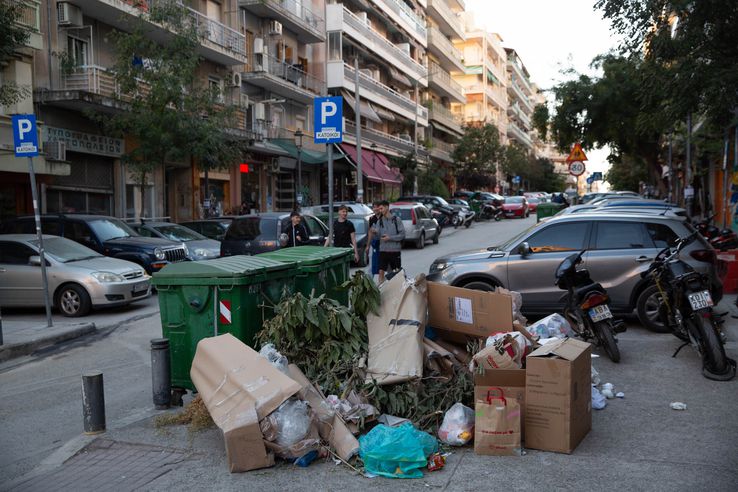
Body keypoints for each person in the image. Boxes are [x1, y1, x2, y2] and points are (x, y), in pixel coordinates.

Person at [372, 200, 405, 283]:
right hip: (383, 250)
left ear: (387, 207)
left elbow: (402, 235)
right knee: (381, 271)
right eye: (379, 209)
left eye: (381, 208)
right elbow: (377, 236)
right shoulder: (380, 221)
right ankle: (381, 290)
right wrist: (375, 233)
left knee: (396, 273)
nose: (380, 210)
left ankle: (396, 290)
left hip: (395, 251)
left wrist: (389, 238)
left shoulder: (397, 220)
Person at [365, 203, 382, 277]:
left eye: (377, 207)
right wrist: (368, 246)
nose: (375, 209)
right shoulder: (371, 219)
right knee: (372, 265)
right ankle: (369, 285)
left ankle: (384, 284)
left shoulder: (384, 218)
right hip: (374, 244)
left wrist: (377, 231)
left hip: (383, 245)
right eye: (373, 207)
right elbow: (370, 233)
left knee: (383, 266)